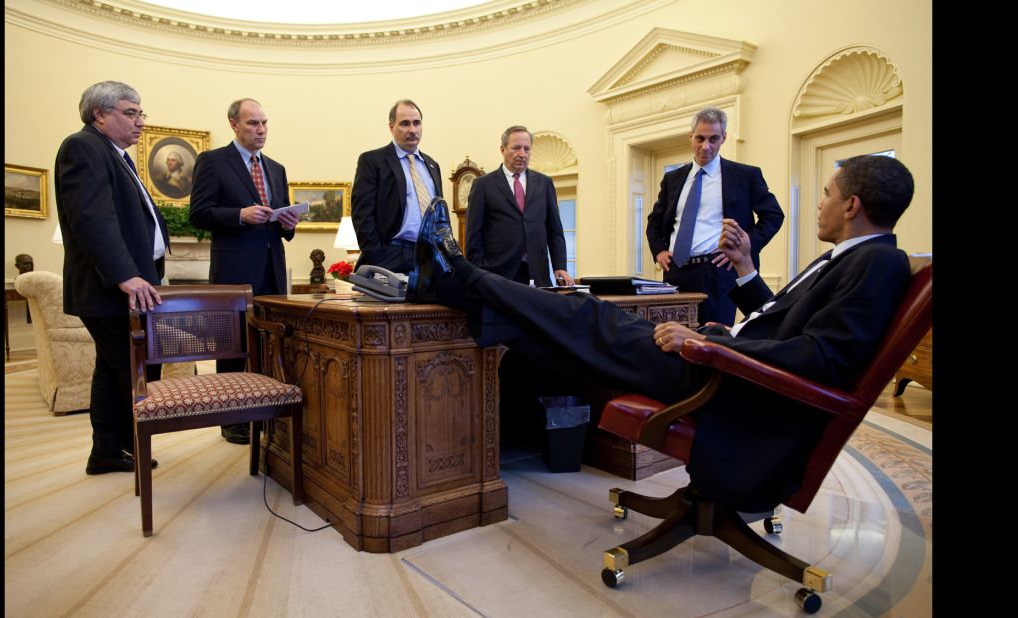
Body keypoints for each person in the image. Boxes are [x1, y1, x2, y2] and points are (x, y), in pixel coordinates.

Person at [407, 154, 913, 513]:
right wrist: (743, 272)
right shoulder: (857, 258)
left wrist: (714, 346)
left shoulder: (877, 264)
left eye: (827, 194)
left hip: (733, 389)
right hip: (730, 370)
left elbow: (822, 357)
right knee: (568, 339)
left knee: (587, 317)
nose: (821, 203)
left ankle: (463, 277)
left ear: (851, 207)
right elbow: (783, 320)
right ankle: (455, 286)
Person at [54, 80, 169, 475]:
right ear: (100, 114)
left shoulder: (116, 154)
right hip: (111, 287)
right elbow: (91, 218)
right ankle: (119, 445)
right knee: (128, 367)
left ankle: (108, 449)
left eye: (141, 113)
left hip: (132, 285)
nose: (140, 122)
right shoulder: (82, 147)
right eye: (130, 112)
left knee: (114, 366)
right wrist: (126, 275)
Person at [190, 98, 300, 445]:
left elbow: (284, 228)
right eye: (253, 123)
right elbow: (199, 213)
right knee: (233, 343)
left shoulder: (277, 168)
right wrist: (240, 214)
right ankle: (232, 418)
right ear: (234, 124)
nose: (261, 130)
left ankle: (265, 408)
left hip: (272, 269)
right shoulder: (212, 161)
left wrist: (289, 222)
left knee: (270, 339)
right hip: (234, 269)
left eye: (265, 123)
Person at [646, 106, 784, 325]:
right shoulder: (672, 179)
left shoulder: (745, 175)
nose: (705, 146)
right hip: (676, 273)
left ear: (724, 138)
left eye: (713, 139)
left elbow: (774, 216)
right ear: (690, 136)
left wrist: (744, 247)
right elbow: (654, 221)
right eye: (700, 138)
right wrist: (659, 250)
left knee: (713, 341)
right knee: (672, 337)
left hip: (719, 271)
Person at [465, 125, 573, 286]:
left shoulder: (544, 183)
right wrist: (479, 271)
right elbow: (473, 234)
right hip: (497, 274)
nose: (522, 154)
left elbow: (554, 230)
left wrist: (560, 266)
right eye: (516, 148)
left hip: (537, 272)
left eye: (527, 149)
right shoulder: (483, 185)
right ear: (502, 149)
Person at [351, 99, 444, 274]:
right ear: (391, 126)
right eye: (405, 124)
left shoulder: (432, 165)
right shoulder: (372, 161)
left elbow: (439, 215)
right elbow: (362, 216)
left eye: (417, 123)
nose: (412, 130)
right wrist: (378, 256)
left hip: (430, 258)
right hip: (391, 256)